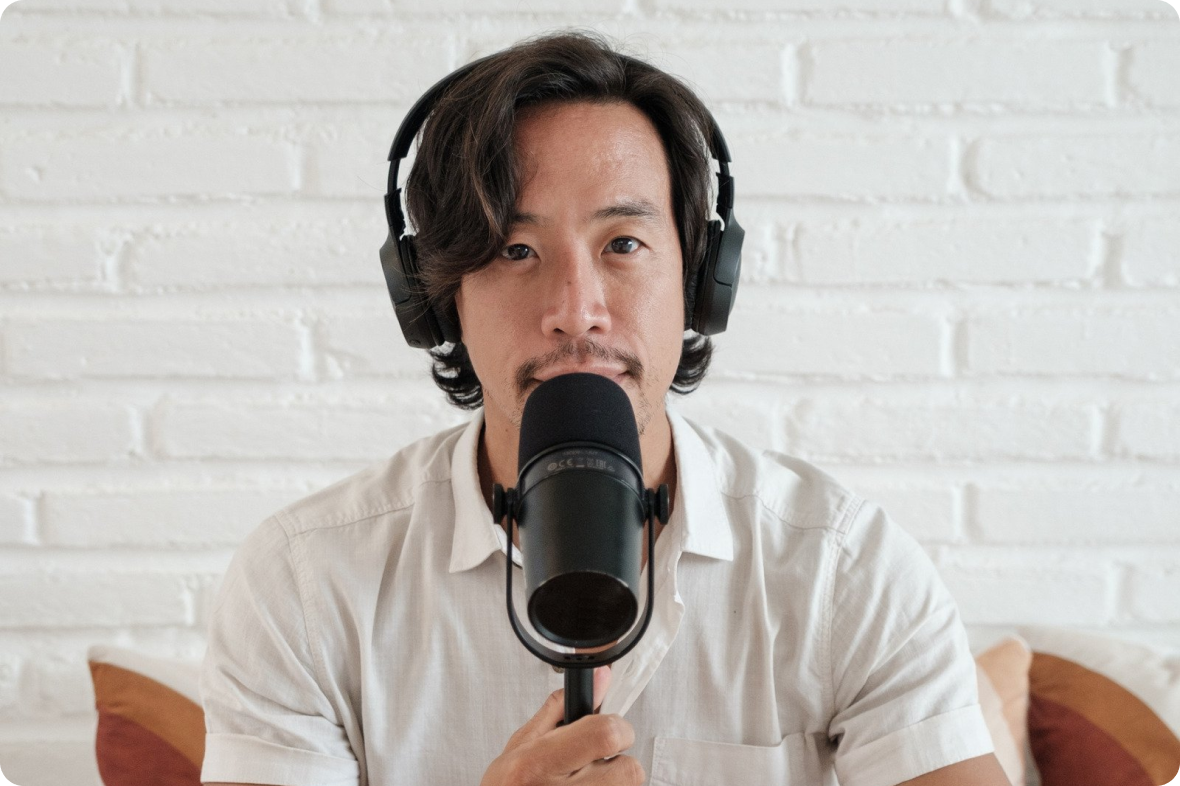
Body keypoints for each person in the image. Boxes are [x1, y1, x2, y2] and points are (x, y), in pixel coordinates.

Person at [199, 30, 1010, 786]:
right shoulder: (304, 585)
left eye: (624, 244)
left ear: (700, 280)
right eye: (516, 250)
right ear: (438, 299)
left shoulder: (842, 567)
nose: (576, 311)